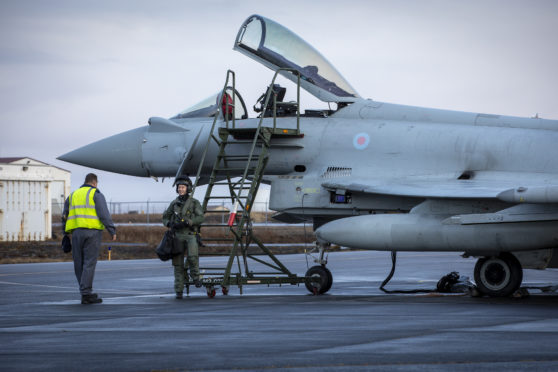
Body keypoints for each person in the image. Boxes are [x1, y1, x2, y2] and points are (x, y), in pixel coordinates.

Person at [62, 173, 116, 304]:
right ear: (95, 182)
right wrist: (112, 230)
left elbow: (65, 215)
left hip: (76, 233)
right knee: (89, 263)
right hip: (92, 233)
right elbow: (104, 214)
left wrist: (65, 233)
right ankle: (86, 293)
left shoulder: (73, 195)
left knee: (78, 263)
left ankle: (84, 292)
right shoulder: (96, 194)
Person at [162, 176, 204, 299]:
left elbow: (201, 218)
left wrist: (189, 222)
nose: (181, 189)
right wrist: (169, 223)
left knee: (192, 257)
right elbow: (165, 217)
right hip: (178, 236)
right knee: (178, 264)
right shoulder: (174, 203)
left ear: (188, 188)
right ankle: (178, 289)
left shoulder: (194, 202)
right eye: (179, 187)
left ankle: (195, 277)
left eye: (183, 187)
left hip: (190, 234)